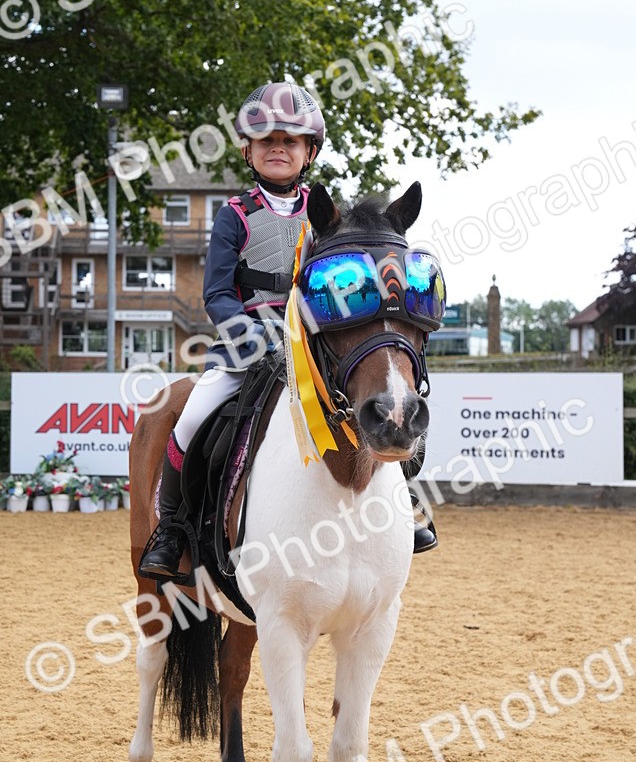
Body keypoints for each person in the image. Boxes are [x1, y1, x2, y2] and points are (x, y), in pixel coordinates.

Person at [138, 81, 436, 580]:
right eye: (267, 140)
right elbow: (217, 293)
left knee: (385, 395)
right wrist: (251, 337)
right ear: (248, 150)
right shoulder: (235, 215)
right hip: (245, 346)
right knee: (191, 418)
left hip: (311, 345)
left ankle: (402, 491)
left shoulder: (327, 219)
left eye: (291, 141)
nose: (278, 148)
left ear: (309, 152)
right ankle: (170, 528)